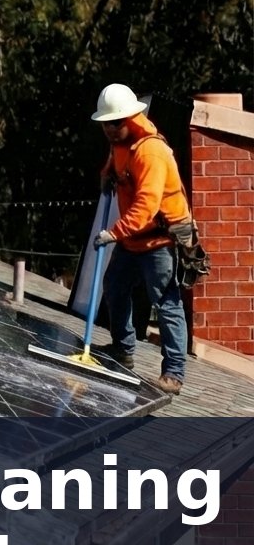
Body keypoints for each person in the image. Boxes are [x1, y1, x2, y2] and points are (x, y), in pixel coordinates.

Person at [90, 83, 191, 395]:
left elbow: (146, 207)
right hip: (134, 239)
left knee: (166, 302)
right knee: (116, 286)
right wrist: (106, 174)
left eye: (113, 123)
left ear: (128, 119)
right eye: (105, 123)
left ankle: (173, 373)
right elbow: (115, 163)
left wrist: (113, 233)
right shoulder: (120, 141)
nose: (107, 129)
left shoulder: (151, 152)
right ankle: (123, 349)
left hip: (158, 240)